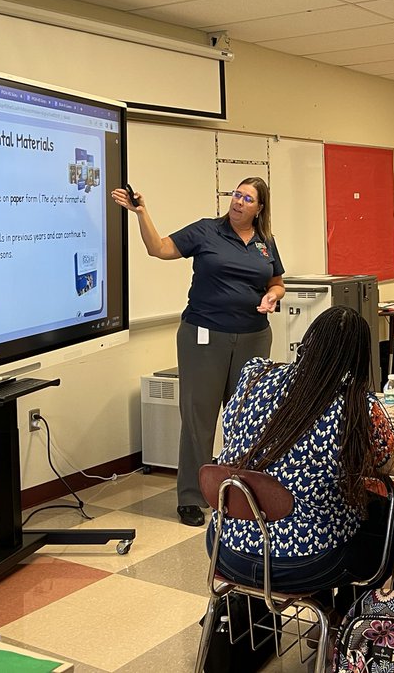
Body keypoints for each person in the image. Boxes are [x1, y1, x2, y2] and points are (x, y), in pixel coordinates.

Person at [112, 178, 285, 527]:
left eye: (247, 198)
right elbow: (158, 248)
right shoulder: (207, 231)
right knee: (198, 419)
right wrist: (141, 214)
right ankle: (192, 496)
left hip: (253, 337)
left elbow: (276, 281)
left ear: (259, 208)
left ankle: (241, 493)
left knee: (247, 418)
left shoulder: (266, 243)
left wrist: (274, 296)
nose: (238, 202)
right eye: (236, 194)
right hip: (204, 336)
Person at [208, 306, 394, 596]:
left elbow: (231, 427)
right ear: (358, 359)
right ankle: (351, 617)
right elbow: (385, 462)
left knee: (310, 508)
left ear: (305, 343)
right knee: (393, 519)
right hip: (304, 566)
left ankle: (305, 614)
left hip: (226, 551)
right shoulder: (355, 406)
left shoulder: (255, 376)